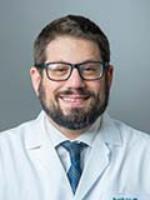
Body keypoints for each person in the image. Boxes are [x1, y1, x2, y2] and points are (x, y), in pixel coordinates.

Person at [0, 15, 150, 200]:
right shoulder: (4, 154)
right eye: (60, 69)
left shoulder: (145, 155)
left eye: (89, 69)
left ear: (108, 77)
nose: (75, 83)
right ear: (37, 79)